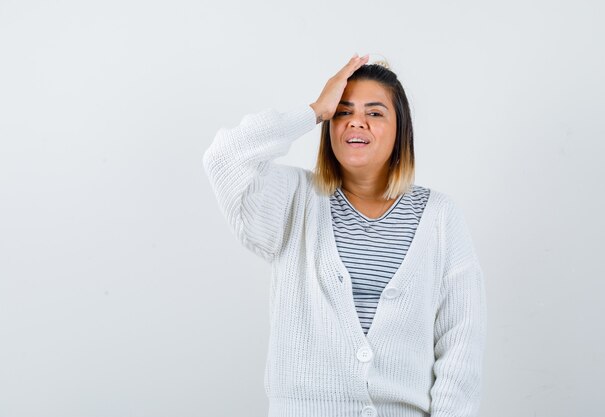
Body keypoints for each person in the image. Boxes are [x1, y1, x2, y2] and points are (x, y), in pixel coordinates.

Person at [203, 54, 487, 417]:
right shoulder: (294, 200)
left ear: (401, 130)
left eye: (375, 113)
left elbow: (461, 344)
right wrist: (313, 111)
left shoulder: (440, 217)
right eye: (342, 111)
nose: (357, 122)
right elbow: (224, 158)